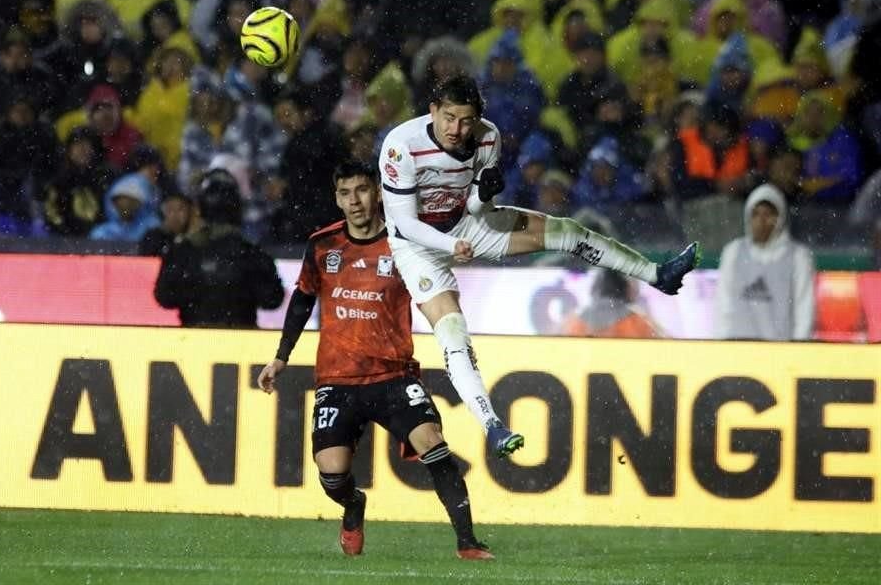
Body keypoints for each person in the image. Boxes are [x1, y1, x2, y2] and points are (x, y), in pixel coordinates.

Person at [378, 75, 699, 457]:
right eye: (448, 118)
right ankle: (493, 426)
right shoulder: (401, 146)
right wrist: (452, 244)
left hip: (466, 223)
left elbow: (479, 205)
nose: (456, 129)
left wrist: (483, 193)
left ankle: (657, 275)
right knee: (451, 329)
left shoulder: (487, 137)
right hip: (417, 245)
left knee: (565, 230)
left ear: (477, 117)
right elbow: (404, 222)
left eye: (465, 121)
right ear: (432, 111)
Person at [257, 161, 493, 560]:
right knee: (331, 473)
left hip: (393, 375)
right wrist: (281, 357)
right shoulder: (322, 245)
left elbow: (435, 284)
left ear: (379, 193)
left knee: (433, 445)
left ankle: (468, 542)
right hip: (338, 377)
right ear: (337, 198)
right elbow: (302, 299)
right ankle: (353, 506)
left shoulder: (404, 243)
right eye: (346, 193)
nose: (355, 201)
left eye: (363, 191)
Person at [154, 168, 283, 328]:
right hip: (241, 342)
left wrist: (196, 290)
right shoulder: (251, 252)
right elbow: (272, 299)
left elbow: (165, 297)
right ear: (237, 208)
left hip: (194, 340)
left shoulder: (182, 251)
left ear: (199, 209)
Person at [715, 183, 815, 341]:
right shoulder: (732, 252)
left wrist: (799, 350)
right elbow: (723, 307)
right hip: (736, 350)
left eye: (768, 214)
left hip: (779, 353)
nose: (761, 221)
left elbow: (804, 310)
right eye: (755, 214)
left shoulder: (798, 257)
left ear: (780, 218)